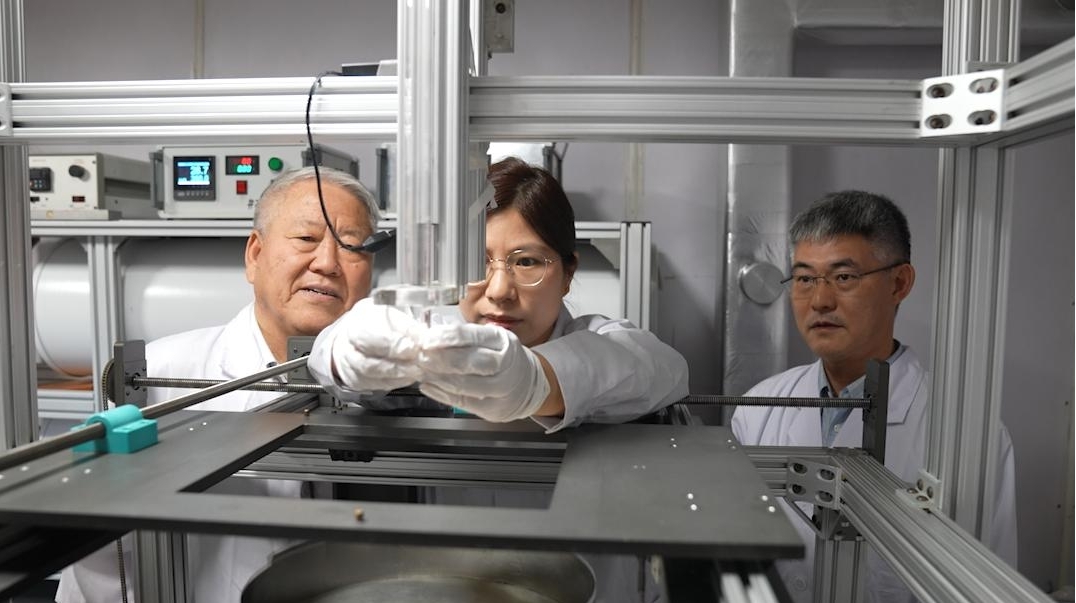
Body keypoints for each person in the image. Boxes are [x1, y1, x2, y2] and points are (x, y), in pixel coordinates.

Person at [308, 156, 690, 602]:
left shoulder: (604, 340)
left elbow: (659, 368)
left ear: (568, 273)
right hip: (451, 588)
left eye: (527, 262)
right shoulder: (435, 332)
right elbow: (329, 350)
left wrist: (535, 382)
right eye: (478, 262)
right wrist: (346, 352)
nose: (499, 290)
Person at [56, 166, 382, 603]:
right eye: (306, 238)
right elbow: (98, 567)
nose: (327, 263)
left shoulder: (394, 390)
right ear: (255, 255)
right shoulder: (162, 375)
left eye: (351, 246)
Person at [731, 190, 1017, 603]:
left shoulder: (970, 438)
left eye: (844, 277)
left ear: (899, 283)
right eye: (805, 278)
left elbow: (987, 591)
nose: (820, 301)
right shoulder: (758, 409)